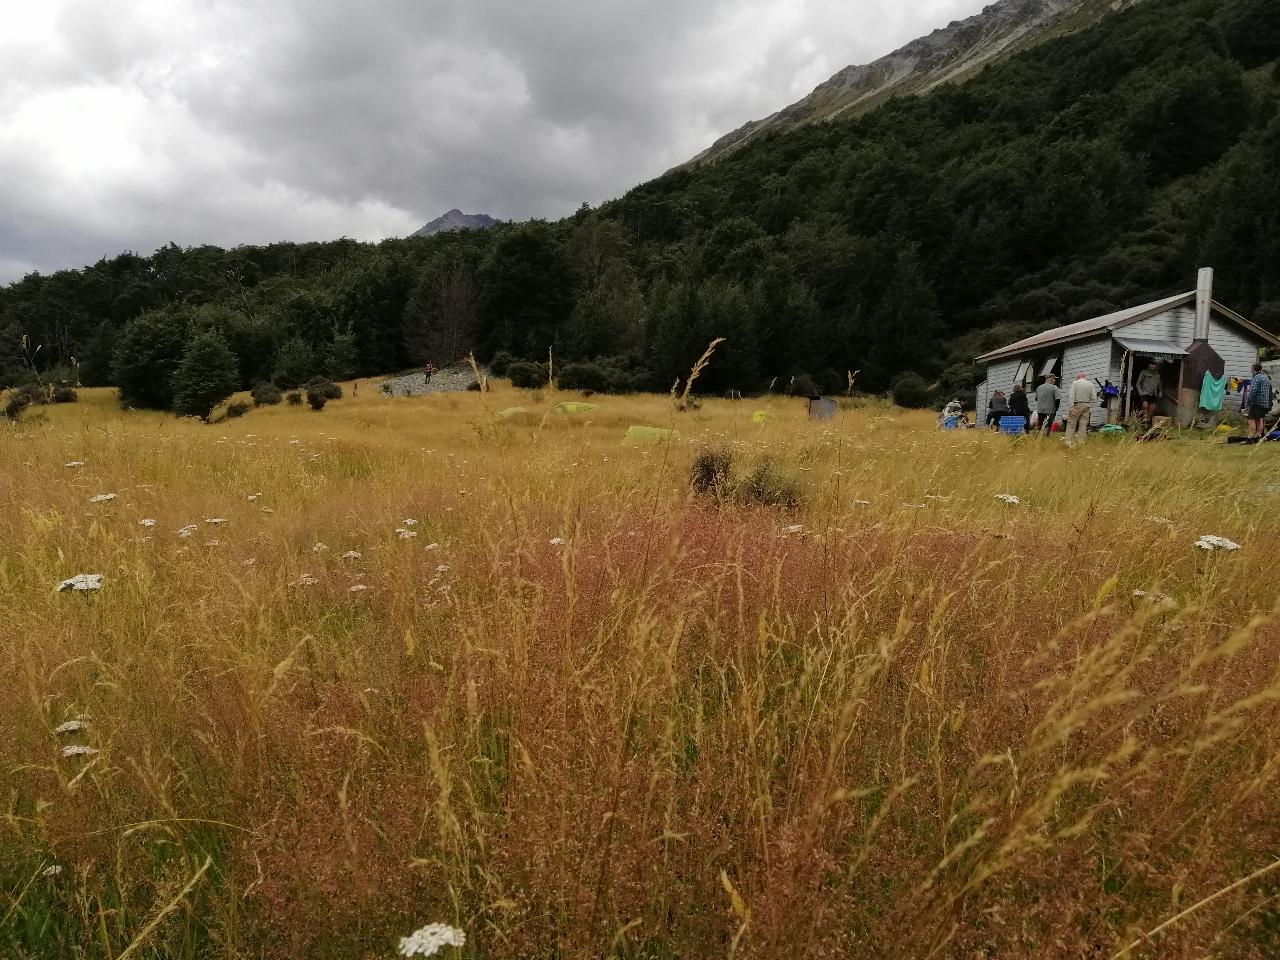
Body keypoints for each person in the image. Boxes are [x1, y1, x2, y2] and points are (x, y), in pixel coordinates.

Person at [1064, 372, 1097, 447]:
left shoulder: (1075, 383)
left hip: (1077, 404)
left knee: (1071, 423)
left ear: (1078, 377)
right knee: (1083, 424)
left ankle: (1068, 441)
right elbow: (1094, 398)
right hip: (1087, 405)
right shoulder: (1090, 384)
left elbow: (1072, 395)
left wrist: (1071, 406)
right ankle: (1080, 442)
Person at [1245, 362, 1273, 438]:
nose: (1250, 370)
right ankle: (1258, 435)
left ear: (1254, 369)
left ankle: (1250, 437)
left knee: (1251, 420)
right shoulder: (1266, 377)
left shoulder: (1256, 377)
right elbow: (1270, 392)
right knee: (1260, 420)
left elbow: (1253, 391)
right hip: (1265, 403)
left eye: (1251, 368)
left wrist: (1248, 402)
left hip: (1256, 403)